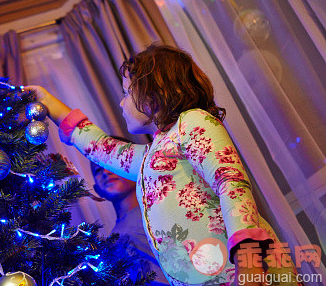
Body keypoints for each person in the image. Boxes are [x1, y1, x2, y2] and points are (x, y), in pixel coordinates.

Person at [27, 44, 301, 285]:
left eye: (126, 93)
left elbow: (231, 184)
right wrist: (46, 101)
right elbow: (100, 147)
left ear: (152, 93)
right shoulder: (150, 157)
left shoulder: (192, 122)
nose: (121, 103)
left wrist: (249, 266)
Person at [90, 155, 170, 285]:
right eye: (98, 170)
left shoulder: (158, 211)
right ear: (97, 190)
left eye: (111, 163)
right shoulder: (112, 238)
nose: (106, 172)